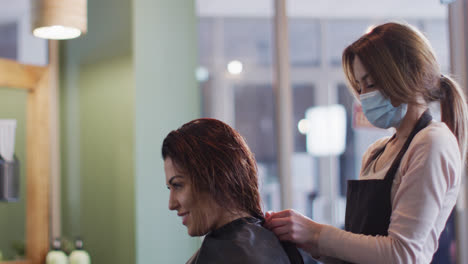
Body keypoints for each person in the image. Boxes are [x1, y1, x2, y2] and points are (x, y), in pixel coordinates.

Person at [265, 22, 468, 264]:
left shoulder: (432, 143)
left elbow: (402, 255)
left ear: (406, 73)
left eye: (370, 84)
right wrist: (309, 241)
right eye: (360, 87)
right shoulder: (376, 152)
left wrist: (318, 233)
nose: (364, 97)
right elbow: (361, 245)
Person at [162, 118, 304, 264]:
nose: (171, 204)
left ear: (216, 177)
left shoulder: (222, 256)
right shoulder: (286, 246)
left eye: (178, 185)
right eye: (170, 188)